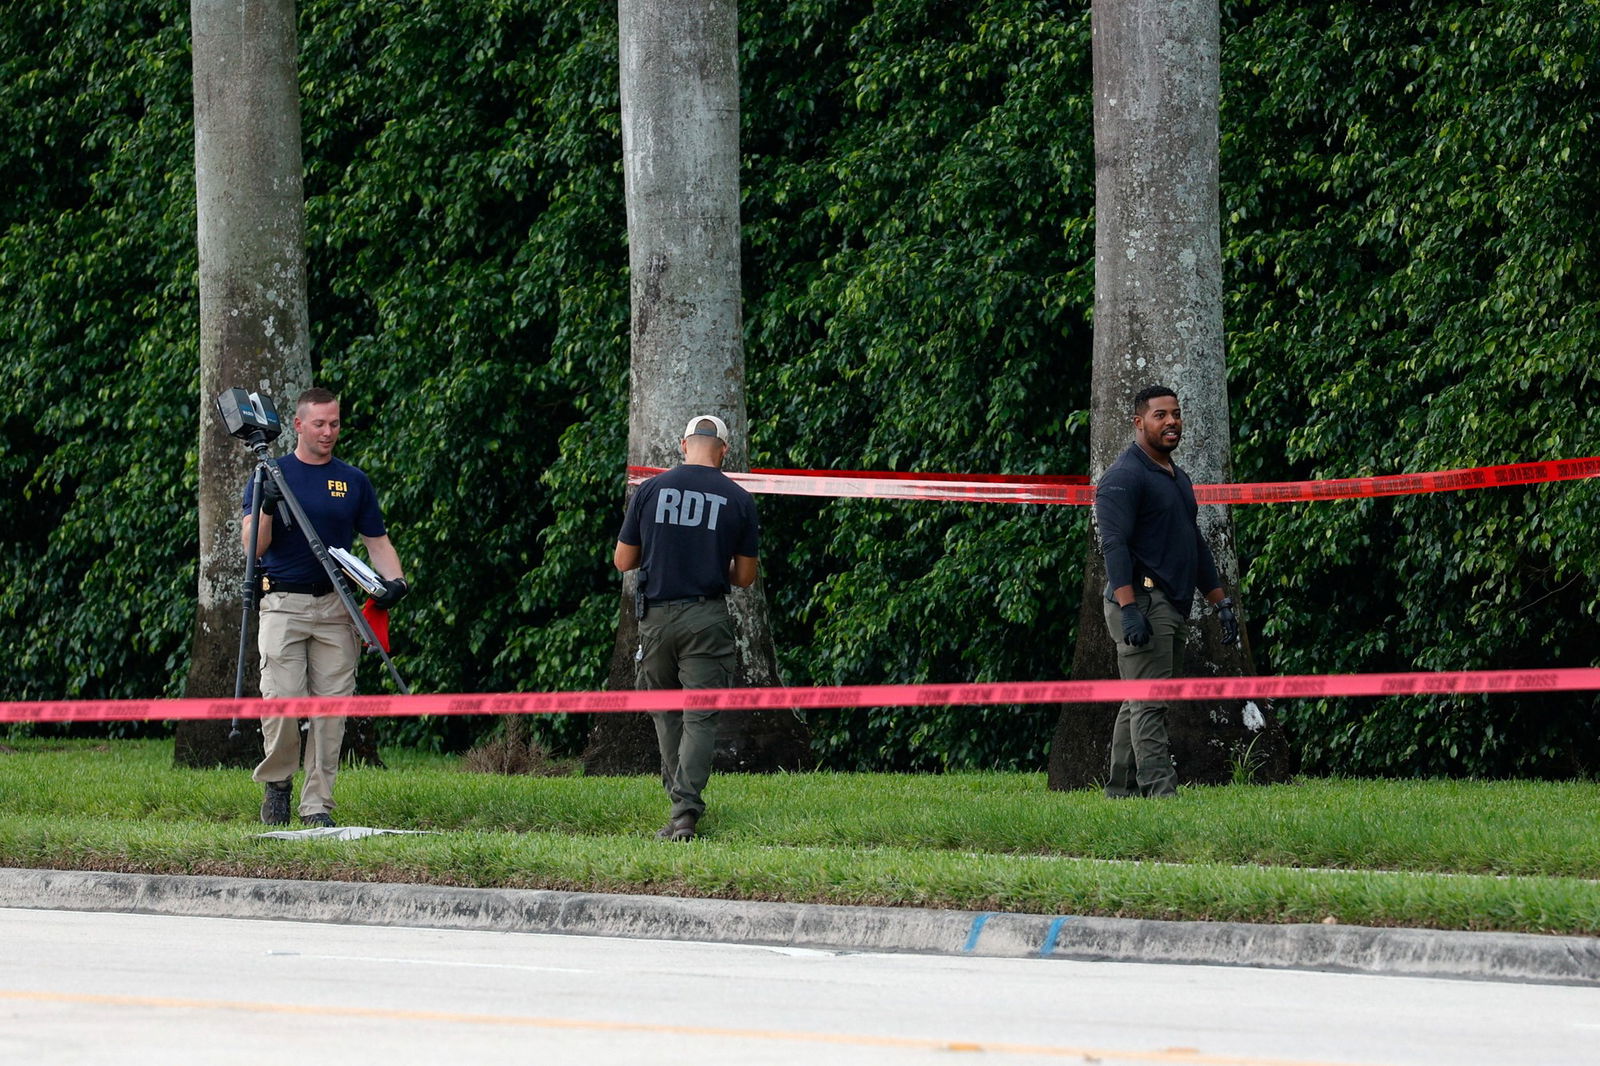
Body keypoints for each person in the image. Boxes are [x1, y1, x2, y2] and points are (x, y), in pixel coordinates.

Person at [241, 387, 408, 827]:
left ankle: (318, 805)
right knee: (283, 701)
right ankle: (278, 783)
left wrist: (395, 583)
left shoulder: (353, 480)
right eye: (319, 424)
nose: (328, 432)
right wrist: (268, 508)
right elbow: (252, 547)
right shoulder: (269, 474)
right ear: (298, 425)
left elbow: (378, 541)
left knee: (331, 712)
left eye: (334, 423)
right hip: (282, 604)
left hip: (338, 605)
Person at [613, 414, 760, 842]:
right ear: (724, 451)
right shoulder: (738, 499)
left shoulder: (650, 490)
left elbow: (623, 561)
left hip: (655, 620)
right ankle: (685, 811)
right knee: (700, 716)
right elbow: (745, 577)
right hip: (707, 618)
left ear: (683, 445)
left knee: (664, 711)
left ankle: (678, 804)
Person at [1094, 385, 1239, 798]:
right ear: (1139, 423)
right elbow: (1114, 545)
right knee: (1150, 703)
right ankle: (1162, 794)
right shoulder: (1124, 477)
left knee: (1138, 700)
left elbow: (1190, 542)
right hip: (1140, 600)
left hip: (1169, 602)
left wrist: (1219, 601)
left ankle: (1119, 791)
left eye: (1175, 414)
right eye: (1160, 415)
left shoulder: (1176, 476)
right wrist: (1127, 609)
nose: (1172, 421)